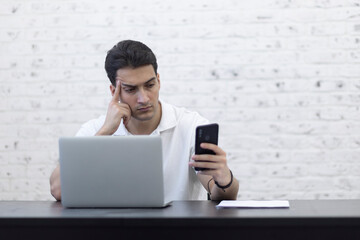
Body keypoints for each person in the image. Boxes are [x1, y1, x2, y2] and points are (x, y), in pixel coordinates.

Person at [50, 40, 239, 202]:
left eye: (149, 85)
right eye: (131, 89)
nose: (144, 98)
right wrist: (105, 132)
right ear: (114, 91)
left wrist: (224, 178)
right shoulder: (94, 129)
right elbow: (57, 190)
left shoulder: (190, 126)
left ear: (158, 80)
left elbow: (221, 194)